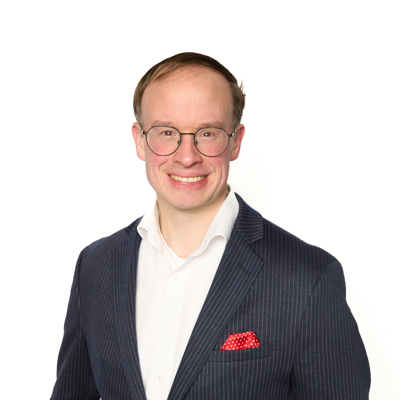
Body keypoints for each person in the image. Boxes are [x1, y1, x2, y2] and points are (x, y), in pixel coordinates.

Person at [50, 52, 370, 400]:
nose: (187, 156)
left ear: (236, 140)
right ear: (139, 140)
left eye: (207, 133)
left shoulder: (308, 278)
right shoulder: (96, 266)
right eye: (166, 132)